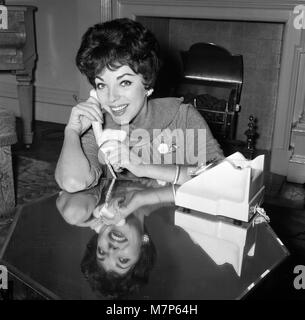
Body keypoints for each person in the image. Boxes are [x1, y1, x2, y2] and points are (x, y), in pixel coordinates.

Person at [55, 18, 223, 193]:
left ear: (147, 83)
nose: (111, 98)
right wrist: (72, 131)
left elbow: (222, 180)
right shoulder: (98, 125)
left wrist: (143, 167)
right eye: (102, 85)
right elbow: (73, 182)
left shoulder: (184, 117)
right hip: (121, 218)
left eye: (125, 82)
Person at [56, 180, 169, 299]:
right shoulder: (172, 197)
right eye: (123, 260)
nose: (112, 249)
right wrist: (141, 198)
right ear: (143, 248)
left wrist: (75, 212)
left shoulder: (96, 198)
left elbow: (71, 206)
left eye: (101, 252)